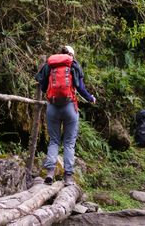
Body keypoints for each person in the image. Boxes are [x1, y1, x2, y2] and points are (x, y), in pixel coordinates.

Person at [35, 45, 96, 186]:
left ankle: (50, 173)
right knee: (69, 143)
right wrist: (91, 98)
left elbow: (43, 86)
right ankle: (68, 177)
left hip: (52, 107)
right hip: (70, 107)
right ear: (71, 55)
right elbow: (80, 88)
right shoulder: (73, 65)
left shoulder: (49, 65)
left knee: (54, 141)